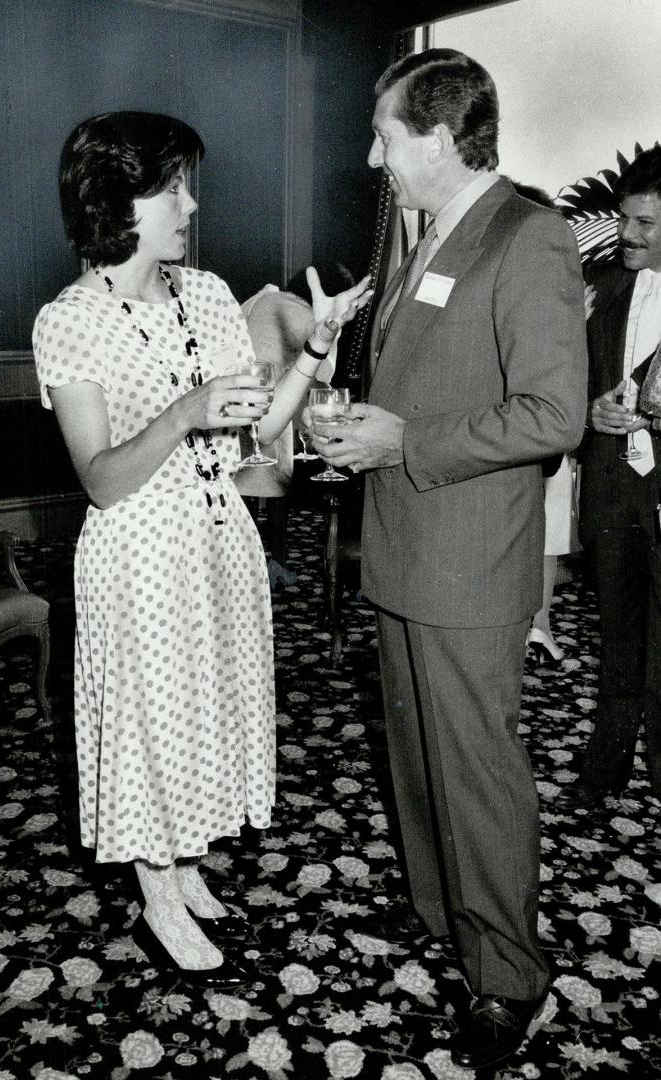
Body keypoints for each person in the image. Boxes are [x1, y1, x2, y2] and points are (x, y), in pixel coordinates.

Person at [32, 111, 371, 989]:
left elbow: (257, 426)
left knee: (204, 709)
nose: (191, 203)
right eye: (172, 185)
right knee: (150, 720)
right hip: (138, 551)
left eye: (189, 182)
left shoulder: (210, 294)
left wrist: (315, 351)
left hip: (217, 536)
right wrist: (182, 412)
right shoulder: (69, 322)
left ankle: (183, 870)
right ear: (117, 197)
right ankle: (157, 900)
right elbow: (102, 480)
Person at [312, 51, 587, 1071]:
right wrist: (366, 441)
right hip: (401, 549)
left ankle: (511, 977)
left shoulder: (530, 235)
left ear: (434, 138)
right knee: (417, 769)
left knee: (476, 779)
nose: (372, 155)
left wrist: (405, 446)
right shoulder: (420, 233)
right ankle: (449, 929)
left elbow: (554, 414)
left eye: (384, 136)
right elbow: (419, 380)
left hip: (470, 568)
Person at [556, 145, 661, 810]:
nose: (626, 234)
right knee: (618, 636)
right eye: (626, 219)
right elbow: (576, 383)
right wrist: (593, 409)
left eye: (646, 224)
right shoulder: (610, 290)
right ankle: (607, 767)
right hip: (613, 492)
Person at [236, 263, 355, 589]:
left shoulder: (262, 298)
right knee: (277, 490)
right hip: (275, 401)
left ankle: (244, 563)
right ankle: (277, 563)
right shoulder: (299, 310)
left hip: (242, 397)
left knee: (242, 489)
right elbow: (324, 370)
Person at [512, 183, 582, 665]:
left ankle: (538, 624)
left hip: (549, 428)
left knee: (549, 529)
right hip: (520, 425)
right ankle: (528, 625)